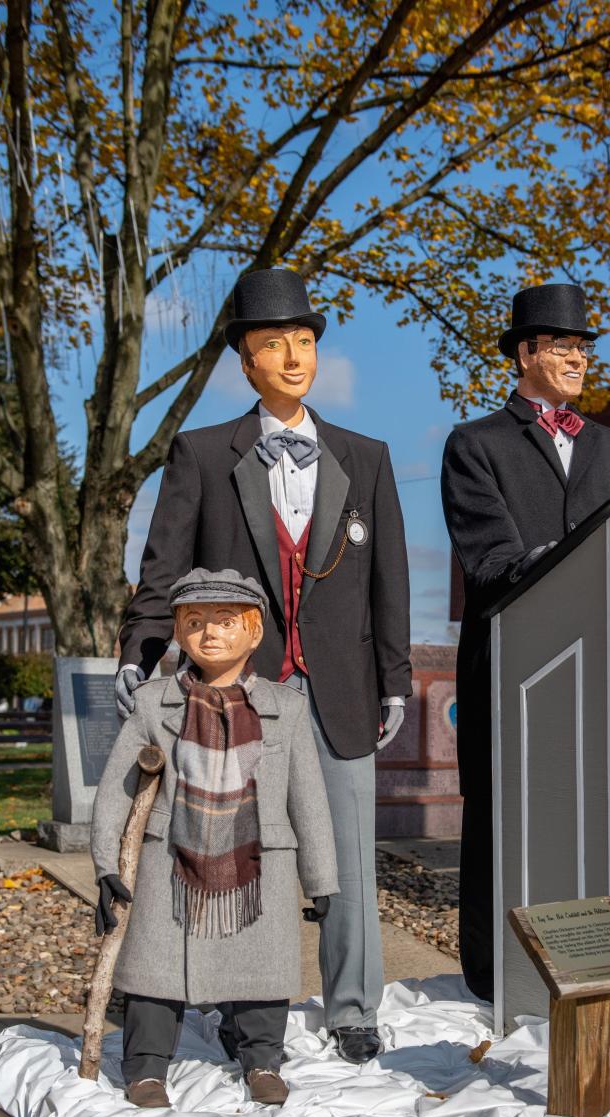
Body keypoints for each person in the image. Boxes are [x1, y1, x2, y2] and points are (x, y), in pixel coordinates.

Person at [115, 269, 412, 1063]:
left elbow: (389, 582)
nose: (293, 357)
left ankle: (353, 1004)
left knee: (345, 850)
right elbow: (163, 567)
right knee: (228, 850)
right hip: (238, 688)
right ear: (244, 363)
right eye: (272, 344)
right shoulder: (205, 454)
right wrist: (142, 654)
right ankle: (225, 997)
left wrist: (394, 677)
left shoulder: (367, 458)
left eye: (305, 342)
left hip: (340, 685)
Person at [441, 283, 610, 1001]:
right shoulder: (475, 445)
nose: (578, 358)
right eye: (563, 346)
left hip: (597, 671)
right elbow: (491, 558)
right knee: (502, 819)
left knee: (585, 813)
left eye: (583, 348)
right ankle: (492, 975)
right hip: (511, 664)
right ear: (525, 352)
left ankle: (587, 963)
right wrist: (562, 559)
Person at [92, 568, 339, 1108]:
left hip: (258, 864)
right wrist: (106, 867)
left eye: (227, 622)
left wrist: (321, 878)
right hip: (169, 861)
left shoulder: (287, 708)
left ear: (254, 633)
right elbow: (117, 789)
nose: (211, 634)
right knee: (154, 972)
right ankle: (146, 1069)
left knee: (262, 972)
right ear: (178, 633)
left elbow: (309, 799)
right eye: (196, 622)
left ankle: (263, 1061)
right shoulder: (154, 704)